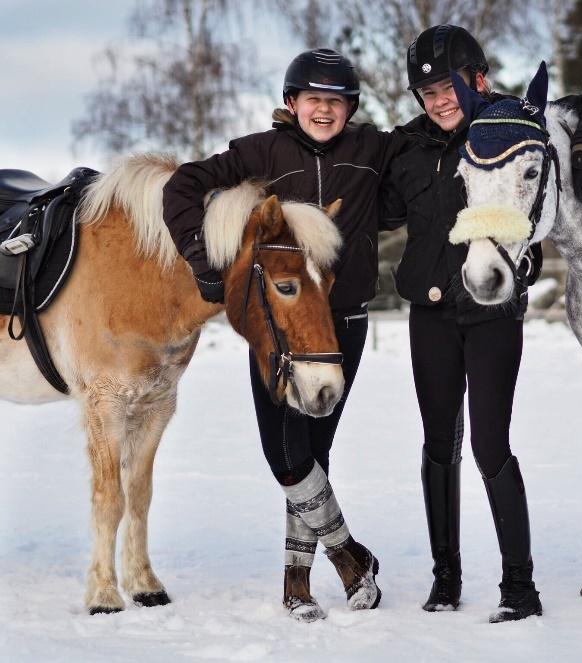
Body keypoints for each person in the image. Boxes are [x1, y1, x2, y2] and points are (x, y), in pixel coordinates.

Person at [382, 24, 582, 623]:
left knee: (491, 445)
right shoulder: (407, 148)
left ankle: (520, 586)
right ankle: (446, 579)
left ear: (477, 80)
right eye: (425, 93)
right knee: (439, 445)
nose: (437, 101)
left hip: (493, 315)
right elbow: (366, 192)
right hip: (431, 315)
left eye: (446, 88)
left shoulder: (510, 124)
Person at [163, 48, 407, 622]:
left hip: (340, 322)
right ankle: (350, 558)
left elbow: (428, 144)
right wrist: (205, 264)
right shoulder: (261, 152)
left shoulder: (374, 149)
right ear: (291, 103)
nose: (324, 111)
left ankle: (295, 584)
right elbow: (183, 186)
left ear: (351, 108)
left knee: (310, 455)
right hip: (277, 330)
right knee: (286, 458)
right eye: (313, 100)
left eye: (337, 102)